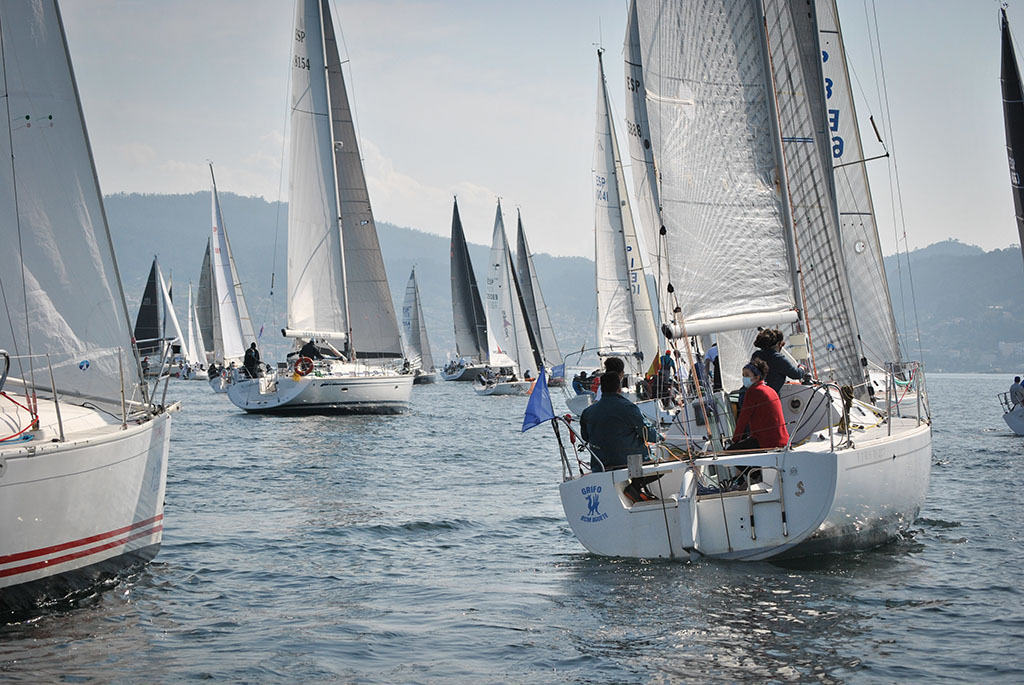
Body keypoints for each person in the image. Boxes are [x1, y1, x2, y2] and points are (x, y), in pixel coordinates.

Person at [581, 371, 660, 501]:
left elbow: (585, 437)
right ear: (619, 388)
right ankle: (635, 487)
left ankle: (636, 490)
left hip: (600, 463)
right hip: (626, 461)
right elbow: (647, 433)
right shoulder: (628, 408)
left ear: (602, 388)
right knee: (660, 462)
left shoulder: (588, 412)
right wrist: (659, 438)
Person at [729, 359, 789, 451]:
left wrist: (735, 440)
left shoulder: (753, 391)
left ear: (757, 377)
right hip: (783, 441)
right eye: (743, 375)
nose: (744, 378)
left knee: (729, 452)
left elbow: (743, 419)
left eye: (747, 375)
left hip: (766, 442)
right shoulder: (770, 390)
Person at [751, 328, 809, 393]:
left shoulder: (756, 355)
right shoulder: (777, 358)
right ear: (779, 344)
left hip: (754, 393)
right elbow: (796, 374)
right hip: (769, 396)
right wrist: (802, 368)